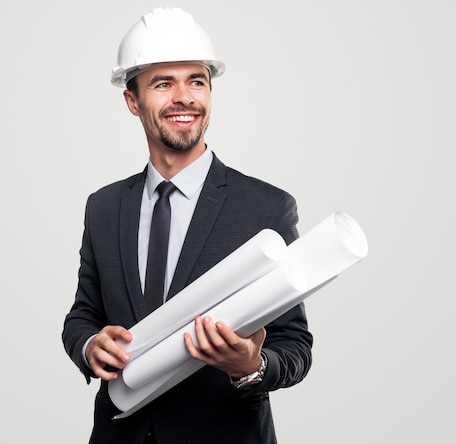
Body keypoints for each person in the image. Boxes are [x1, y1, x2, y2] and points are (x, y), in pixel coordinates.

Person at [62, 7, 313, 444]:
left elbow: (295, 347)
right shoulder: (102, 208)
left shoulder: (266, 209)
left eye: (196, 81)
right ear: (132, 100)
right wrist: (89, 344)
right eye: (163, 83)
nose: (184, 97)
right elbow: (83, 314)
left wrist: (250, 366)